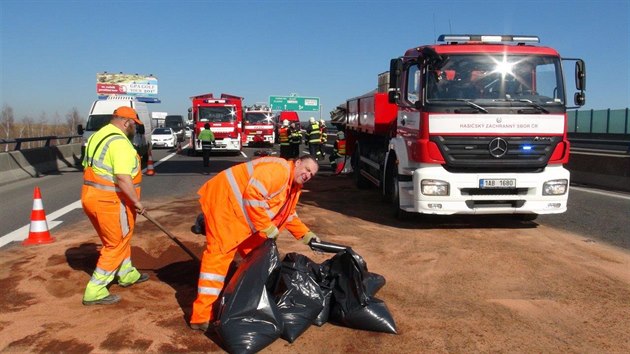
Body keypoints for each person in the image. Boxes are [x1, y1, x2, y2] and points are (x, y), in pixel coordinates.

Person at [189, 155, 322, 331]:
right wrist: (267, 227)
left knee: (257, 255)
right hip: (225, 206)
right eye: (306, 169)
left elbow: (287, 214)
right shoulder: (279, 171)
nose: (307, 175)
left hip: (242, 216)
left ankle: (243, 297)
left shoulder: (294, 187)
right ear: (297, 163)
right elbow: (252, 196)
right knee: (218, 262)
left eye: (311, 174)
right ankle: (201, 317)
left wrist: (306, 235)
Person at [81, 106, 148, 306]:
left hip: (91, 197)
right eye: (134, 125)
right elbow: (122, 177)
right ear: (126, 122)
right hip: (112, 201)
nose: (135, 129)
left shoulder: (97, 136)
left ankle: (126, 273)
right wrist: (136, 202)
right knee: (116, 244)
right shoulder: (120, 144)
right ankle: (96, 289)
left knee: (117, 238)